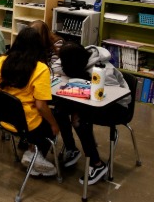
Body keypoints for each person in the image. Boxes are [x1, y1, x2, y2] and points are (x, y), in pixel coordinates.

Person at [0, 27, 60, 177]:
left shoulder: (1, 61)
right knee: (53, 119)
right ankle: (34, 154)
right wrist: (54, 124)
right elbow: (41, 106)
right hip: (26, 124)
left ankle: (32, 151)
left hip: (2, 119)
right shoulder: (40, 69)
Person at [53, 41, 130, 185]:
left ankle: (97, 164)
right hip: (87, 99)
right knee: (59, 110)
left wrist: (83, 80)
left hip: (116, 106)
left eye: (66, 63)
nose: (62, 64)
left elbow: (112, 95)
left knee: (79, 120)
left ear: (74, 62)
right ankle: (71, 148)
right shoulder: (73, 57)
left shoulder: (103, 70)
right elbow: (56, 66)